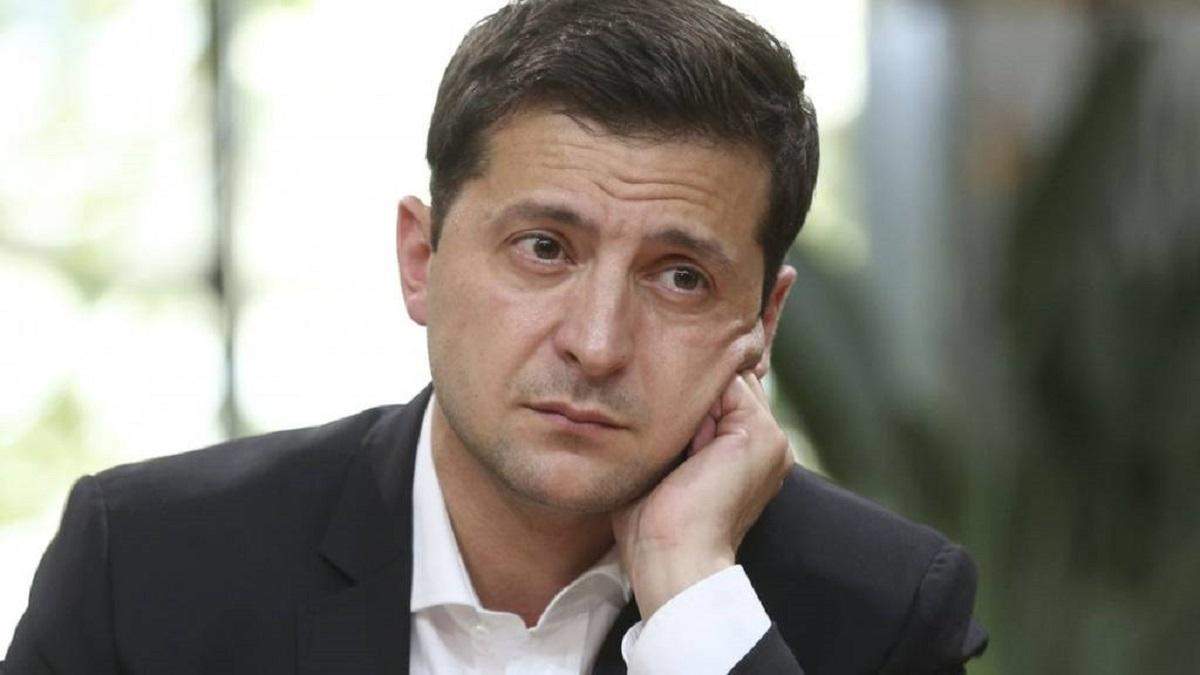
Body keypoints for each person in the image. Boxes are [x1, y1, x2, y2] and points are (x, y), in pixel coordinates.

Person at [3, 0, 987, 673]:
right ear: (421, 260)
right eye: (544, 249)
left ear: (761, 323)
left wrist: (694, 601)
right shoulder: (148, 564)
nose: (596, 344)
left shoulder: (883, 609)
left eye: (680, 276)